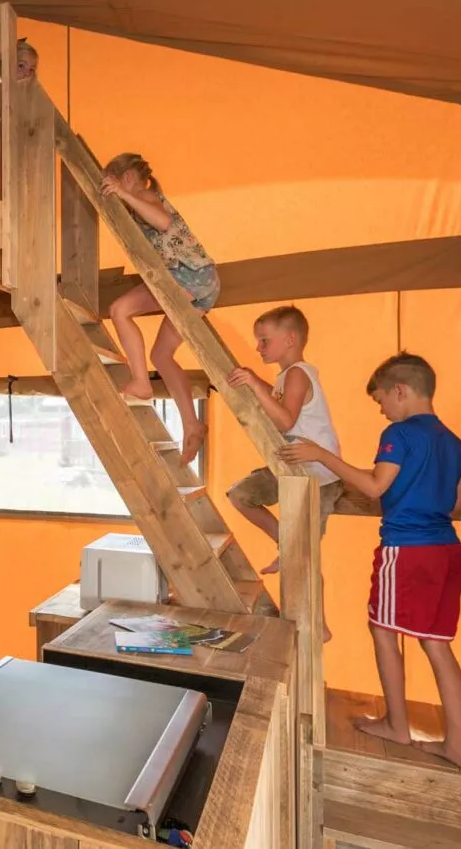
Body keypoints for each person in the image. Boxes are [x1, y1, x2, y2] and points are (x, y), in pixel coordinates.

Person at [280, 353, 461, 771]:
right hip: (448, 550)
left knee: (383, 630)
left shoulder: (398, 434)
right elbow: (458, 503)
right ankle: (459, 745)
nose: (382, 410)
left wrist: (320, 454)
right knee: (437, 643)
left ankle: (397, 725)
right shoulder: (453, 441)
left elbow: (373, 486)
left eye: (381, 400)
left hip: (407, 550)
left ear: (400, 391)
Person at [226, 306, 343, 641]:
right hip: (292, 469)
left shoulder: (298, 374)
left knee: (304, 552)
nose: (259, 347)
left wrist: (254, 384)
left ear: (290, 339)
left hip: (319, 475)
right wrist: (257, 381)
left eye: (264, 340)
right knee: (241, 495)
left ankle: (319, 623)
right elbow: (279, 402)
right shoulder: (286, 377)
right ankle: (285, 542)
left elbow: (285, 421)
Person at [101, 153, 220, 464]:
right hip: (202, 283)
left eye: (112, 182)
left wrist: (124, 194)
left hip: (189, 277)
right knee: (161, 356)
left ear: (127, 177)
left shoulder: (145, 196)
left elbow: (163, 222)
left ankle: (142, 383)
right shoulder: (142, 199)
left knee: (120, 310)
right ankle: (192, 423)